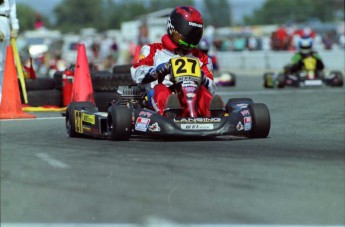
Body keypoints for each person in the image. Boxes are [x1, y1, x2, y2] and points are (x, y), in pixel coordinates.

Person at [131, 5, 220, 117]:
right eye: (186, 34)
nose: (189, 39)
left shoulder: (202, 58)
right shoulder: (153, 50)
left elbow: (212, 88)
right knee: (161, 90)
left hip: (191, 95)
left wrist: (203, 80)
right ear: (172, 29)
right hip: (159, 98)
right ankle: (169, 114)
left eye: (193, 34)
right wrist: (157, 71)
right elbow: (136, 72)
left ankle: (214, 115)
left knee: (204, 92)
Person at [0, 0, 19, 103]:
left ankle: (3, 98)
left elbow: (12, 8)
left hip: (5, 22)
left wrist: (15, 27)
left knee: (4, 63)